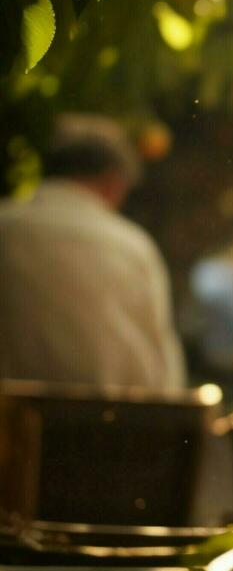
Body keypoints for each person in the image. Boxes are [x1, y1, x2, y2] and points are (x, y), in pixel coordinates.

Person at [0, 113, 186, 390]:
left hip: (11, 421)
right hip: (110, 423)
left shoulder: (6, 226)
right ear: (113, 182)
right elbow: (165, 372)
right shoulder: (131, 245)